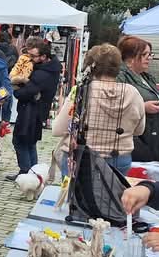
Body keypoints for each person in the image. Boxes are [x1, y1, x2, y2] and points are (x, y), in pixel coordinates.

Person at [56, 44, 145, 175]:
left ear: (90, 66)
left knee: (77, 195)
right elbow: (139, 130)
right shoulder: (133, 93)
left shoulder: (81, 91)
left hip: (82, 157)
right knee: (113, 194)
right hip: (119, 157)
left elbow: (58, 129)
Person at [7, 39, 61, 180]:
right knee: (29, 142)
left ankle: (26, 172)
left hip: (32, 111)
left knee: (21, 140)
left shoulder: (43, 73)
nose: (30, 58)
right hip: (35, 110)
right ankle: (33, 172)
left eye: (33, 56)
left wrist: (18, 89)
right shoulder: (47, 68)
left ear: (43, 56)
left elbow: (24, 93)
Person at [118, 36, 159, 162]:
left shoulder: (146, 77)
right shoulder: (121, 77)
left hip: (154, 134)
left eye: (150, 54)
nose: (149, 58)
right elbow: (116, 106)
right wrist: (142, 107)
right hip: (137, 140)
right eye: (145, 55)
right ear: (132, 56)